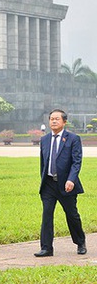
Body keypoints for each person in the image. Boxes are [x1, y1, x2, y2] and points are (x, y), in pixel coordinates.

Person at [34, 109, 87, 257]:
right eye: (52, 119)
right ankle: (46, 248)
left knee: (72, 215)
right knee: (47, 215)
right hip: (49, 184)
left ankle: (80, 242)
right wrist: (43, 180)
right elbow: (43, 163)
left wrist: (71, 179)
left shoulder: (73, 139)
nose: (54, 121)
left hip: (66, 185)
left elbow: (77, 162)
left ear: (64, 122)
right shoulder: (44, 140)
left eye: (57, 119)